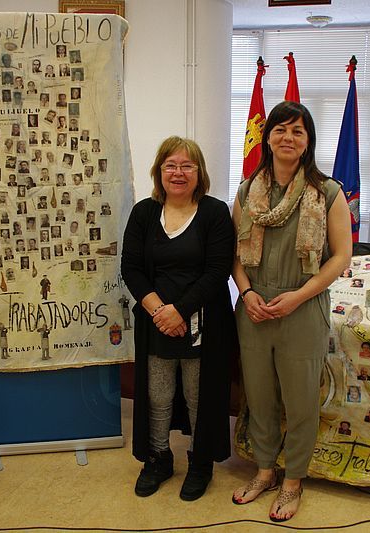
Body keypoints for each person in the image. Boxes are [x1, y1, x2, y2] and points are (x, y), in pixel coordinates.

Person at [230, 101, 352, 522]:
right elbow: (234, 254)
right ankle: (264, 471)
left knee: (300, 402)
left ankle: (293, 481)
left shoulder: (329, 192)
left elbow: (341, 257)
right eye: (280, 129)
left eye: (298, 131)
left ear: (307, 142)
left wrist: (299, 296)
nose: (288, 137)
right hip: (254, 309)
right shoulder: (248, 191)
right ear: (267, 137)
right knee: (259, 398)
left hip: (302, 310)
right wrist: (246, 295)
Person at [121, 136, 236, 502]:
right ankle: (158, 459)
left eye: (187, 165)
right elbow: (131, 268)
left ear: (199, 173)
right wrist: (160, 312)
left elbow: (218, 271)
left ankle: (200, 463)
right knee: (157, 396)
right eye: (171, 165)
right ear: (159, 171)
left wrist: (179, 311)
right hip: (157, 323)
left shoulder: (215, 213)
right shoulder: (143, 213)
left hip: (202, 323)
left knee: (198, 396)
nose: (179, 172)